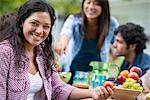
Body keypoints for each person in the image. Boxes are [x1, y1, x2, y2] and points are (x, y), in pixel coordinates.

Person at [0, 0, 114, 100]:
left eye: (46, 26)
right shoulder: (5, 53)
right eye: (34, 23)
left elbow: (58, 88)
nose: (40, 31)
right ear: (21, 22)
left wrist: (92, 93)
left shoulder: (43, 54)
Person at [55, 0, 119, 84]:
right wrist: (63, 42)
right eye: (88, 2)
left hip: (97, 76)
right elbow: (66, 32)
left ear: (103, 7)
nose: (91, 7)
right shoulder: (74, 20)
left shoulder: (111, 23)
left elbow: (119, 41)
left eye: (96, 4)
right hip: (73, 72)